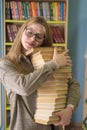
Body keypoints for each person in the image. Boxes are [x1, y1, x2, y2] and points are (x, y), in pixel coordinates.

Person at [0, 16, 81, 130]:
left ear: (44, 40)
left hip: (54, 126)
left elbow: (73, 84)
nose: (33, 39)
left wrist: (69, 108)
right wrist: (54, 64)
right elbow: (23, 87)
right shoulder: (6, 64)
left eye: (39, 36)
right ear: (22, 31)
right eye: (30, 33)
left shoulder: (49, 58)